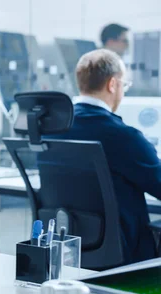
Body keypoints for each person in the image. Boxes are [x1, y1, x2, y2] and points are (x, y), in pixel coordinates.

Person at [49, 49, 160, 264]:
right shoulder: (124, 136)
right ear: (112, 84)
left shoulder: (54, 129)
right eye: (124, 85)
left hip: (69, 248)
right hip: (125, 254)